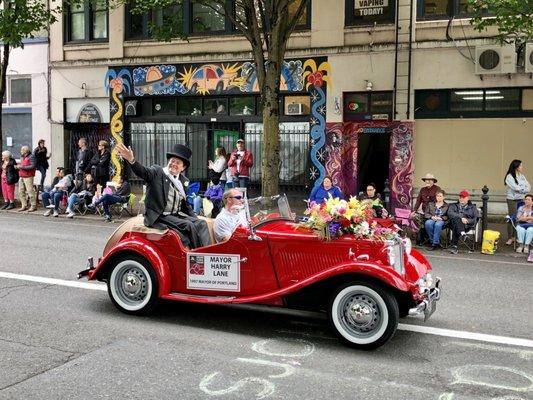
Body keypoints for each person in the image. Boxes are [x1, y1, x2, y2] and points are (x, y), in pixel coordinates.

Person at [116, 142, 211, 249]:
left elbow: (185, 205)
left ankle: (208, 252)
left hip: (176, 216)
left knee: (202, 223)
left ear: (183, 168)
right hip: (160, 216)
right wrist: (131, 160)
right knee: (188, 225)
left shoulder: (183, 181)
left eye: (178, 162)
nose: (174, 164)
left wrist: (195, 218)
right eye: (172, 161)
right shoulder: (157, 172)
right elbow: (143, 172)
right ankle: (197, 254)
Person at [504, 160, 530, 246]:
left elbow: (528, 187)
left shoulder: (522, 176)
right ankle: (510, 238)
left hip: (520, 199)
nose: (522, 167)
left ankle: (516, 236)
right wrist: (523, 190)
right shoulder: (509, 176)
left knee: (520, 217)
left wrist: (522, 190)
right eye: (521, 166)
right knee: (512, 217)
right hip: (512, 199)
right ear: (516, 167)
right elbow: (515, 188)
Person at [412, 173, 442, 245]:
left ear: (433, 181)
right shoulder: (422, 189)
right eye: (426, 180)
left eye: (429, 180)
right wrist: (414, 211)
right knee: (414, 217)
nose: (427, 181)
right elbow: (418, 200)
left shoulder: (437, 189)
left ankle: (430, 238)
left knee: (429, 221)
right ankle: (421, 237)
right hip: (424, 212)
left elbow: (439, 200)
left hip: (434, 213)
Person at [447, 190, 479, 255]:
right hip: (452, 224)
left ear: (468, 198)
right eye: (460, 197)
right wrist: (461, 218)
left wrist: (467, 220)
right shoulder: (453, 205)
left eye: (463, 197)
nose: (461, 199)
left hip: (466, 226)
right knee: (456, 219)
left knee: (456, 226)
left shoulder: (473, 207)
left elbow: (475, 218)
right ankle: (463, 234)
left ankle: (454, 246)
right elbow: (450, 213)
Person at [15, 145, 37, 212]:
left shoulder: (31, 156)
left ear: (25, 151)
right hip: (21, 176)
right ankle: (24, 205)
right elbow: (22, 165)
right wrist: (18, 167)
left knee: (30, 191)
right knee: (21, 191)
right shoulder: (22, 156)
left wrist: (21, 167)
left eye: (22, 150)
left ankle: (33, 206)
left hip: (29, 176)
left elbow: (32, 166)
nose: (21, 151)